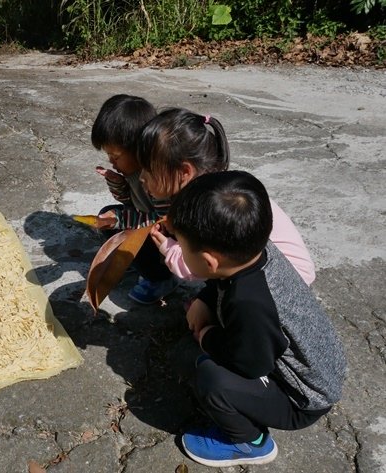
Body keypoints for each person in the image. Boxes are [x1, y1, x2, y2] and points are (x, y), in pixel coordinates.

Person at [166, 170, 346, 467]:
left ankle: (249, 442)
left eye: (182, 247)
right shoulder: (256, 252)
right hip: (316, 368)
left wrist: (208, 336)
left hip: (302, 400)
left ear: (209, 260)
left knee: (213, 379)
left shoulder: (249, 303)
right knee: (201, 357)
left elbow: (250, 362)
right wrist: (204, 299)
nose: (180, 252)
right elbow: (221, 281)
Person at [137, 107, 316, 286]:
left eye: (149, 171)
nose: (141, 178)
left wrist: (168, 249)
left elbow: (198, 267)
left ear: (184, 172)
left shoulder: (212, 207)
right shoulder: (211, 188)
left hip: (283, 282)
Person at [90, 94, 178, 304]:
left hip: (164, 233)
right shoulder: (134, 170)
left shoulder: (157, 180)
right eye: (109, 156)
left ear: (140, 148)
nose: (111, 161)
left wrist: (119, 219)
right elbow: (131, 203)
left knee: (133, 233)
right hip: (147, 217)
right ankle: (136, 261)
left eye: (116, 156)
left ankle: (162, 278)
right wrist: (118, 183)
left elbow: (158, 221)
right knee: (108, 214)